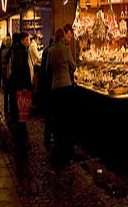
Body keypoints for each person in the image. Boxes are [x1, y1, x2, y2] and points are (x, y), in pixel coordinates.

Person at [47, 27, 76, 164]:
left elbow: (47, 69)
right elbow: (73, 66)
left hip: (55, 87)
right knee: (67, 119)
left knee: (57, 118)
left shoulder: (51, 51)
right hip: (66, 87)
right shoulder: (66, 49)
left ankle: (57, 149)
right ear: (62, 37)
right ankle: (67, 150)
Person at [9, 31, 33, 152]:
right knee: (22, 113)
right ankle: (21, 141)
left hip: (19, 86)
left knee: (21, 114)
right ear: (23, 40)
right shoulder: (20, 52)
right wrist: (24, 85)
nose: (29, 41)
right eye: (27, 39)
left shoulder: (19, 50)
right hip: (21, 87)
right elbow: (21, 70)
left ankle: (21, 139)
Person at [40, 34, 56, 146]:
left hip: (46, 84)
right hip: (52, 85)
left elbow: (44, 68)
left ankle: (48, 135)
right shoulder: (51, 52)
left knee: (49, 112)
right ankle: (50, 135)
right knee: (52, 112)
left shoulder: (46, 51)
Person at [1, 35, 13, 120]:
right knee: (10, 92)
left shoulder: (3, 51)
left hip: (4, 73)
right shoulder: (11, 52)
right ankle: (9, 109)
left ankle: (5, 107)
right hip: (9, 74)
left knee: (6, 92)